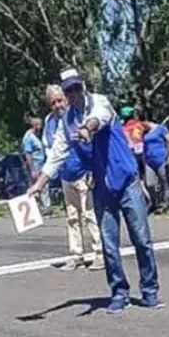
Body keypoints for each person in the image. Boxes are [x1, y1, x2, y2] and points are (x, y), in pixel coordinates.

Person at [26, 68, 162, 314]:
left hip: (127, 180)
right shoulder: (67, 122)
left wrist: (88, 128)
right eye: (69, 90)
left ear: (83, 86)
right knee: (109, 244)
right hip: (101, 186)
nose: (74, 93)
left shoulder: (100, 101)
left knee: (142, 239)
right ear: (65, 94)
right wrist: (39, 185)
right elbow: (56, 155)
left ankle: (150, 291)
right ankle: (119, 293)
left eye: (76, 88)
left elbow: (99, 117)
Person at [42, 85, 103, 271]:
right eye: (53, 103)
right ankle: (76, 255)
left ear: (66, 99)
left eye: (60, 100)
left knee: (90, 214)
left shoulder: (77, 115)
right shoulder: (50, 122)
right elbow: (51, 150)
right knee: (72, 217)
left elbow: (91, 143)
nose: (57, 105)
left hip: (83, 171)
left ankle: (100, 253)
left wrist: (93, 169)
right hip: (65, 174)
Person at [142, 119, 169, 214]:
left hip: (161, 159)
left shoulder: (161, 129)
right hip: (149, 161)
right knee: (149, 183)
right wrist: (144, 159)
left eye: (143, 123)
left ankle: (165, 203)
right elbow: (144, 146)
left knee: (163, 181)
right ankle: (154, 202)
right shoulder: (145, 133)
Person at [22, 117, 50, 215]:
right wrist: (32, 169)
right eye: (39, 124)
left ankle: (42, 207)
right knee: (40, 185)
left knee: (42, 186)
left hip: (41, 164)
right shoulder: (29, 137)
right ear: (35, 125)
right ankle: (42, 207)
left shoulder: (36, 136)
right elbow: (28, 154)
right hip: (35, 165)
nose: (41, 126)